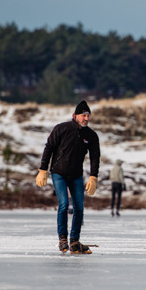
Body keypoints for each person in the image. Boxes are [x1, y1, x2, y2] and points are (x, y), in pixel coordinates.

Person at [36, 100, 100, 254]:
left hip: (76, 175)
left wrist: (93, 176)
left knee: (79, 207)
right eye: (83, 115)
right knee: (64, 204)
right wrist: (43, 169)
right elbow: (49, 147)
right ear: (75, 116)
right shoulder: (61, 129)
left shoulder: (91, 135)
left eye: (88, 116)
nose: (86, 118)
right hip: (59, 173)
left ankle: (74, 241)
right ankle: (63, 239)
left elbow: (95, 156)